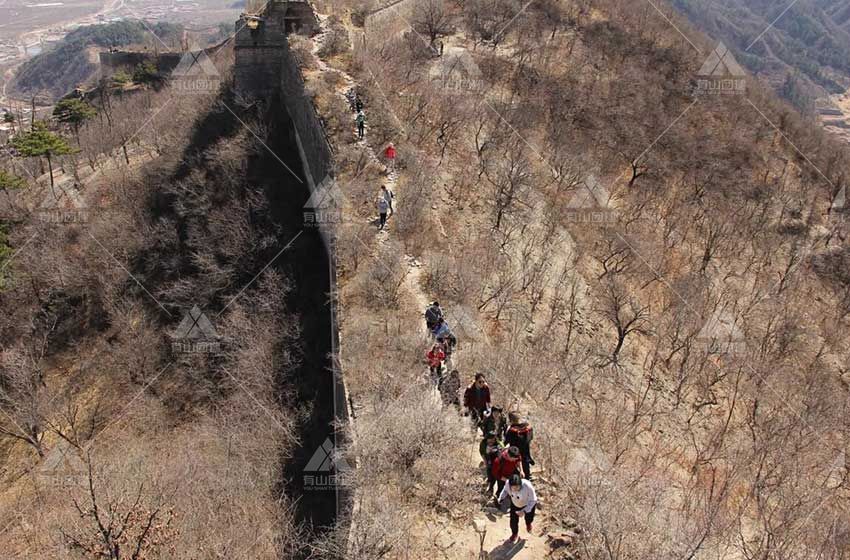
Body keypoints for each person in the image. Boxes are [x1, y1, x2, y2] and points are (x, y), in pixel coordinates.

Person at [499, 474, 537, 544]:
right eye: (513, 487)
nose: (515, 489)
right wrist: (501, 498)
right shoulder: (508, 484)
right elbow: (505, 491)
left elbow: (533, 500)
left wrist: (524, 511)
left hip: (527, 504)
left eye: (517, 487)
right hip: (515, 504)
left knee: (529, 517)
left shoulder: (527, 486)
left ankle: (528, 524)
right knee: (513, 521)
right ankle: (514, 534)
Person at [505, 412, 535, 480]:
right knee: (526, 471)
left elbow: (506, 441)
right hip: (526, 453)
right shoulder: (528, 428)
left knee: (516, 472)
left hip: (515, 454)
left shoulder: (511, 430)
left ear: (511, 420)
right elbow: (531, 438)